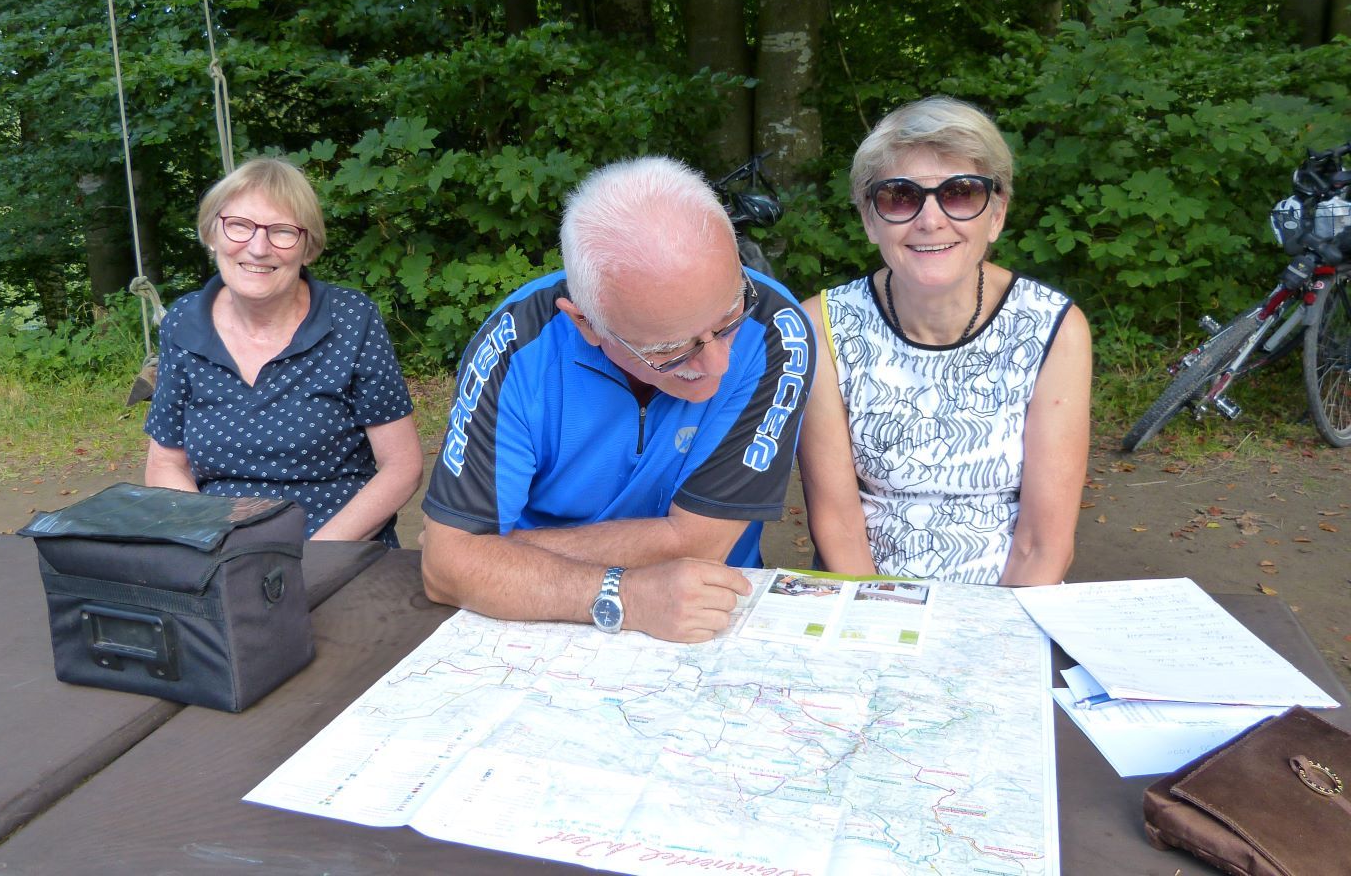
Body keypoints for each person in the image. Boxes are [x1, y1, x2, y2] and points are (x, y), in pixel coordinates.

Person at [420, 156, 814, 642]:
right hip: (532, 623)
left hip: (709, 616)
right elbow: (446, 570)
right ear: (585, 323)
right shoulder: (516, 344)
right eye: (669, 349)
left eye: (728, 318)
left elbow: (700, 542)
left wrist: (501, 554)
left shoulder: (776, 326)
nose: (717, 365)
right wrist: (625, 595)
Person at [797, 97, 1090, 585]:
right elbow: (838, 526)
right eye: (899, 196)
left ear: (995, 214)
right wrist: (879, 623)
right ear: (870, 219)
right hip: (867, 597)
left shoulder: (1053, 327)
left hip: (1011, 603)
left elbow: (1043, 542)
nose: (930, 220)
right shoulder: (823, 326)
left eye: (960, 193)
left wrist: (993, 643)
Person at [144, 157, 422, 543]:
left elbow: (402, 465)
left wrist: (311, 559)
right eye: (239, 226)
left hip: (334, 545)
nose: (258, 248)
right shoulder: (183, 323)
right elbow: (165, 464)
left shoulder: (351, 319)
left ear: (308, 248)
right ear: (212, 235)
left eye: (282, 232)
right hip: (219, 548)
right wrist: (215, 545)